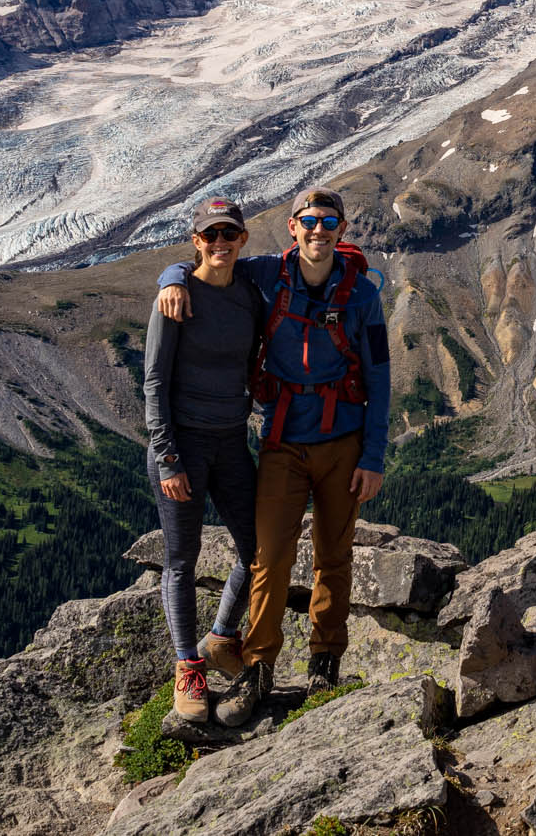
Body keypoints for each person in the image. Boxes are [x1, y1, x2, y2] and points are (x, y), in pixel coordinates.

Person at [157, 185, 390, 714]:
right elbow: (209, 258)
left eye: (329, 223)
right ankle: (258, 666)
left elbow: (380, 373)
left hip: (344, 441)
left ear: (342, 231)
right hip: (282, 440)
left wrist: (373, 456)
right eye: (309, 221)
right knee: (270, 556)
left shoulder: (361, 293)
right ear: (293, 227)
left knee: (334, 555)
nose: (318, 231)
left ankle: (324, 663)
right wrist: (170, 276)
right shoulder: (267, 273)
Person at [141, 196, 263, 725]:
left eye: (228, 235)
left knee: (256, 548)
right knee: (181, 559)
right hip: (183, 445)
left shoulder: (250, 295)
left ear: (242, 240)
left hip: (232, 440)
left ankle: (221, 637)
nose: (219, 244)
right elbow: (154, 383)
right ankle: (188, 666)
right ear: (196, 242)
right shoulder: (176, 296)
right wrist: (168, 459)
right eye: (209, 236)